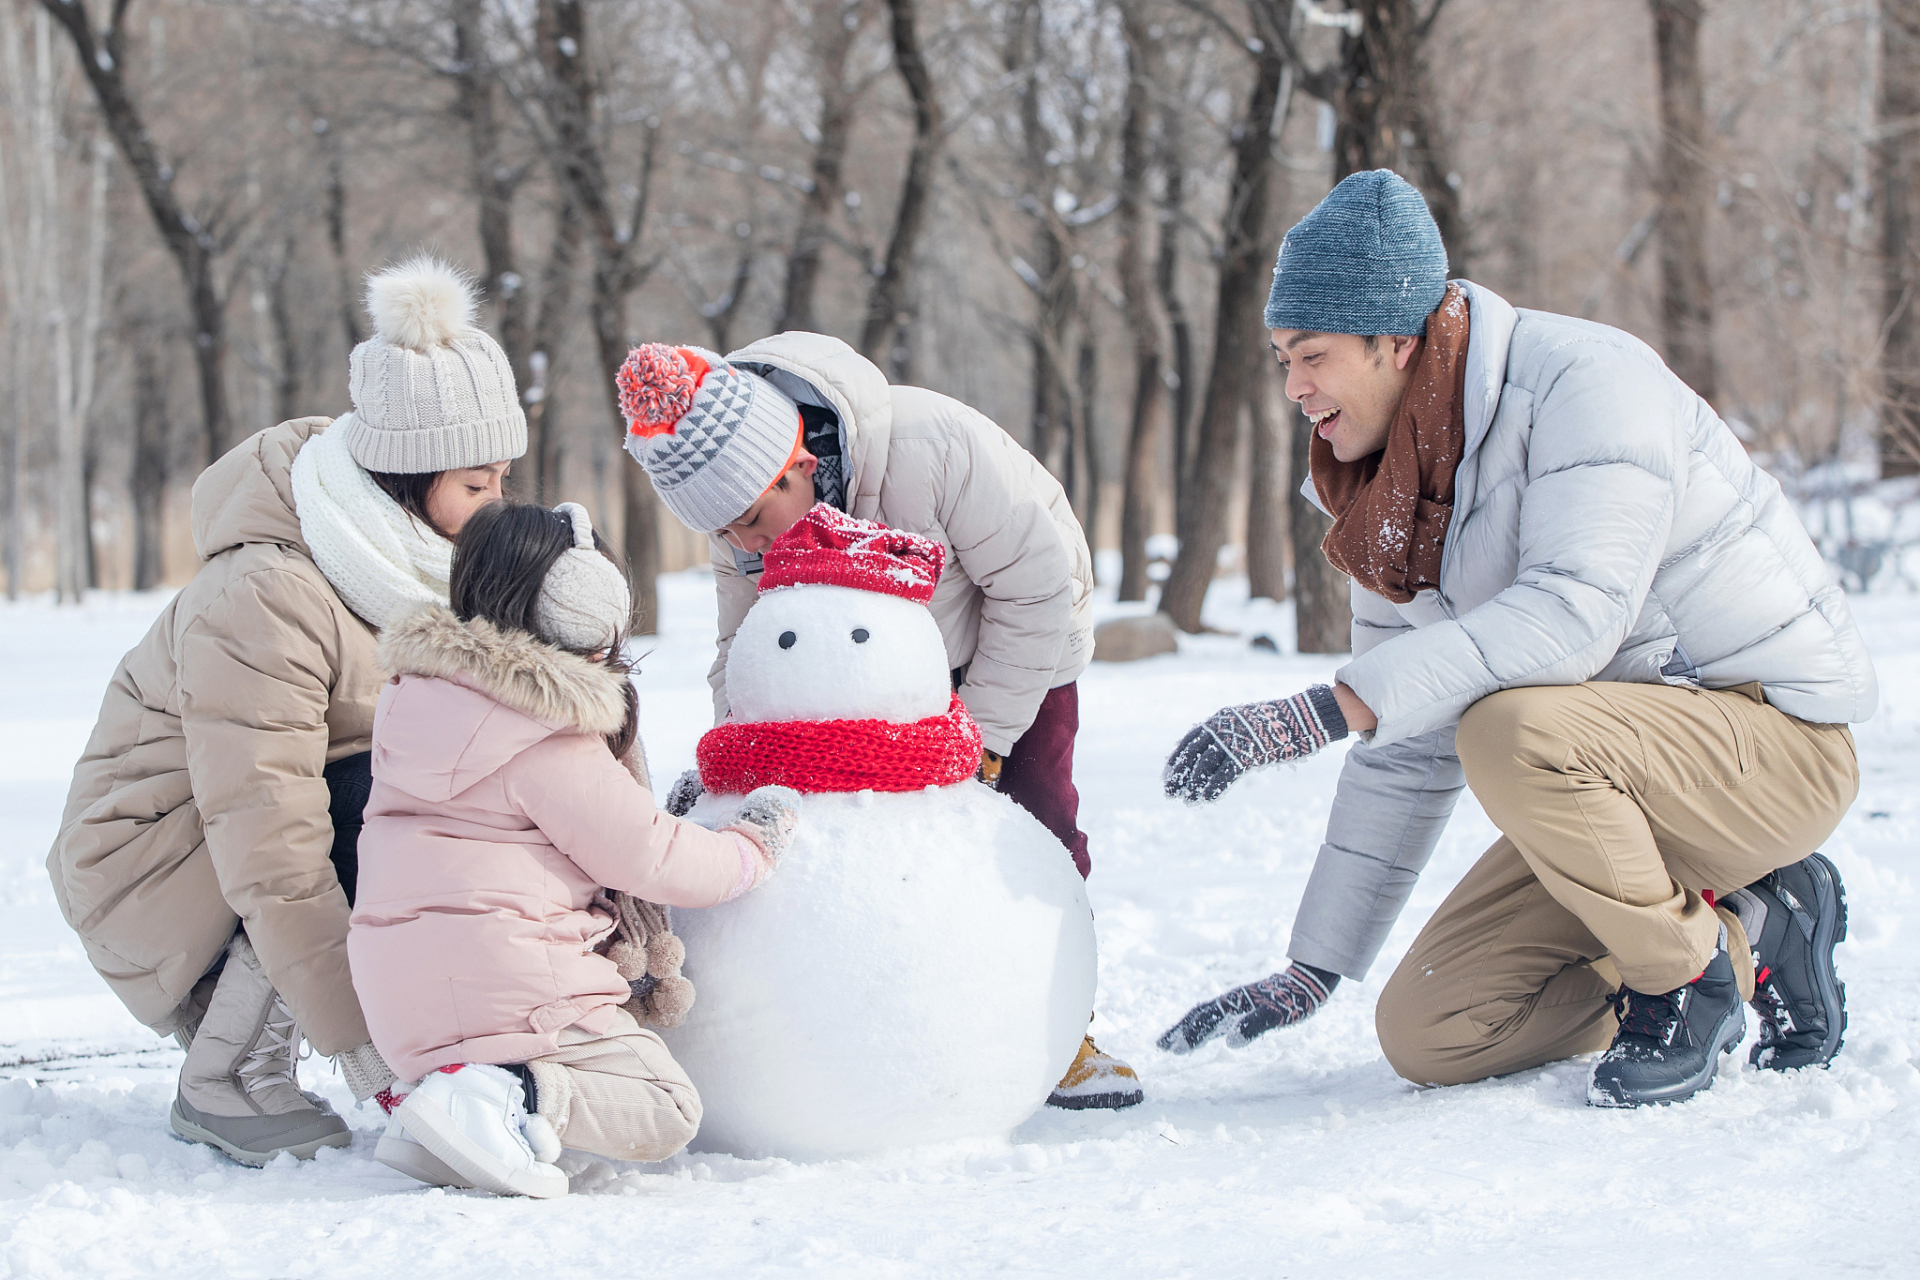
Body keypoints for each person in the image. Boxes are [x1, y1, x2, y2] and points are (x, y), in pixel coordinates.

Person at [1158, 170, 1874, 1107]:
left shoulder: (1588, 382)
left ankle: (1682, 983)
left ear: (1396, 341)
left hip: (1769, 745)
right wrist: (1314, 969)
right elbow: (1403, 739)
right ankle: (1750, 928)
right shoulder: (1384, 495)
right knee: (1436, 1028)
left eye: (1313, 356)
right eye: (1283, 360)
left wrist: (1323, 709)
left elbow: (1575, 615)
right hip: (1615, 784)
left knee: (1507, 728)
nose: (1293, 388)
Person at [47, 257, 529, 1163]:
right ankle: (228, 1073)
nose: (494, 505)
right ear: (402, 474)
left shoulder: (412, 563)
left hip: (259, 834)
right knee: (373, 798)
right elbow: (268, 832)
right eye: (476, 483)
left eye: (501, 477)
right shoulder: (267, 591)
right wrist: (361, 1044)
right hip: (155, 857)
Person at [613, 335, 1142, 1111]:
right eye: (728, 535)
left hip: (1014, 634)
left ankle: (1064, 1033)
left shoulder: (932, 450)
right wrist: (742, 765)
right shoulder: (746, 528)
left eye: (756, 520)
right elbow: (742, 649)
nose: (749, 547)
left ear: (798, 462)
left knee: (1033, 824)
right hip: (864, 666)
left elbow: (1036, 595)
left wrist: (983, 742)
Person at [349, 501, 799, 1197]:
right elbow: (650, 855)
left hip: (401, 1000)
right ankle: (514, 1096)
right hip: (510, 987)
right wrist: (749, 849)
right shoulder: (541, 730)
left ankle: (447, 1113)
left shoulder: (418, 701)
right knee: (665, 1106)